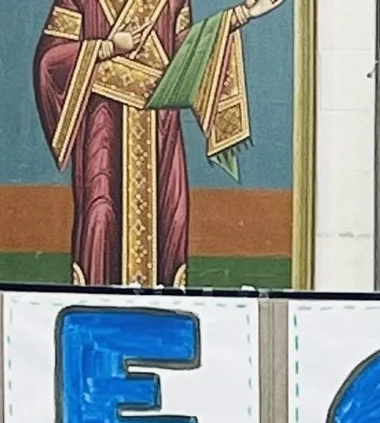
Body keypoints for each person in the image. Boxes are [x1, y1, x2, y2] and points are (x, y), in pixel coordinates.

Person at [31, 0, 290, 288]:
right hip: (103, 131)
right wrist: (106, 48)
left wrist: (241, 15)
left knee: (170, 221)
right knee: (100, 217)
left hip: (160, 133)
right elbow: (50, 59)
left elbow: (189, 58)